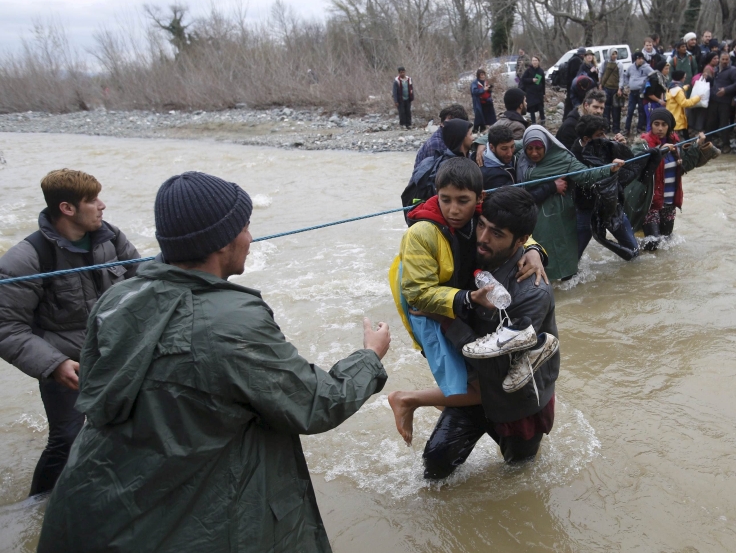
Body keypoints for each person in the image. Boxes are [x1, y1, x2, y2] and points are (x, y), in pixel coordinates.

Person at [36, 171, 391, 552]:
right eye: (246, 227)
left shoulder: (117, 299)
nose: (250, 238)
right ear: (222, 242)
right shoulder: (233, 321)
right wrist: (369, 356)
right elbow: (315, 403)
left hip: (88, 512)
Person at [0, 169, 140, 497]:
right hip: (66, 367)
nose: (102, 205)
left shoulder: (111, 237)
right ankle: (37, 508)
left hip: (117, 356)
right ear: (67, 208)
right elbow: (7, 328)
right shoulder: (25, 258)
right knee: (66, 440)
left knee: (127, 431)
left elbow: (147, 279)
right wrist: (54, 364)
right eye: (92, 200)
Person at [388, 159, 549, 445]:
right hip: (430, 310)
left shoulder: (479, 215)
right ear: (436, 194)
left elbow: (513, 226)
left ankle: (430, 403)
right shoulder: (421, 233)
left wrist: (534, 249)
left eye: (462, 201)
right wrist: (467, 298)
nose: (453, 210)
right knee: (473, 387)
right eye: (445, 199)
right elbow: (417, 293)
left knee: (469, 382)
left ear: (479, 198)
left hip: (459, 305)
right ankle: (407, 399)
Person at [422, 186, 560, 479]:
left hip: (517, 401)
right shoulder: (474, 250)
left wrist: (444, 318)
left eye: (496, 234)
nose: (482, 238)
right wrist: (535, 248)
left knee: (519, 473)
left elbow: (499, 368)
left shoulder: (532, 292)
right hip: (475, 387)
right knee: (435, 464)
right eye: (481, 225)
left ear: (521, 239)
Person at [517, 125, 623, 280]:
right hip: (530, 214)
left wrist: (609, 169)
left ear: (546, 145)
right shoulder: (520, 156)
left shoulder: (562, 158)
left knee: (559, 253)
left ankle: (561, 286)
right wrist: (481, 144)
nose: (534, 153)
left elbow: (586, 176)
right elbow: (506, 141)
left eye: (538, 148)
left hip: (557, 216)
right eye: (530, 148)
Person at [631, 108, 709, 247]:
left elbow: (685, 166)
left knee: (666, 243)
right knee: (653, 244)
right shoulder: (642, 144)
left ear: (669, 126)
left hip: (669, 202)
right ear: (651, 125)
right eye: (656, 124)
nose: (660, 128)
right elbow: (637, 165)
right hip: (649, 203)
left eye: (664, 124)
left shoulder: (675, 145)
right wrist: (659, 151)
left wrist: (697, 145)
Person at [569, 115, 640, 260]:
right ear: (586, 139)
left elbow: (626, 170)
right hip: (585, 209)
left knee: (633, 252)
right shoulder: (573, 156)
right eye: (599, 135)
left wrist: (621, 147)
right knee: (574, 257)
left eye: (604, 133)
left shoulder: (605, 146)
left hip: (611, 205)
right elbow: (586, 178)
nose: (605, 137)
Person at [402, 119, 475, 207]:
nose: (473, 138)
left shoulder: (434, 160)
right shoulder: (455, 169)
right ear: (462, 138)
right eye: (471, 134)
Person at [705, 52, 736, 152]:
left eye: (726, 59)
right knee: (710, 122)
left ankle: (726, 145)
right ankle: (707, 144)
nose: (725, 61)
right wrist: (708, 78)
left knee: (724, 123)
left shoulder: (733, 70)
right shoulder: (716, 69)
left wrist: (726, 90)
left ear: (729, 60)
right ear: (719, 60)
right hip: (714, 99)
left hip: (725, 101)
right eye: (723, 59)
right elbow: (714, 82)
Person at [622, 52, 653, 135]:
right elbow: (625, 75)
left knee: (641, 110)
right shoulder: (631, 67)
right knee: (630, 110)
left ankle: (640, 127)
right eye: (639, 59)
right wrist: (628, 84)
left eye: (642, 58)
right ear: (635, 59)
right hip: (632, 92)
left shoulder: (646, 67)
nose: (641, 60)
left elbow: (653, 75)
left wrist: (647, 85)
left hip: (641, 92)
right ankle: (627, 129)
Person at [665, 69, 701, 139]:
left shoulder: (671, 86)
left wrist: (685, 87)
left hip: (672, 113)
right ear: (680, 78)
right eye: (684, 77)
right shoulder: (678, 90)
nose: (685, 79)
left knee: (683, 133)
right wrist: (697, 98)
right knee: (676, 137)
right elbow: (684, 103)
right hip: (677, 117)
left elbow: (678, 92)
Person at [480, 125, 518, 189]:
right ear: (492, 147)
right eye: (504, 149)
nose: (510, 153)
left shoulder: (509, 158)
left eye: (512, 147)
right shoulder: (493, 177)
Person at [600, 49, 623, 133]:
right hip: (606, 88)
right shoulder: (605, 63)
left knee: (616, 109)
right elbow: (601, 73)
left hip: (615, 89)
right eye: (613, 54)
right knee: (606, 109)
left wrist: (620, 88)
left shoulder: (619, 64)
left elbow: (621, 77)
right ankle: (606, 127)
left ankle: (616, 128)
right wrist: (600, 84)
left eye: (615, 54)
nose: (614, 56)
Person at [643, 60, 669, 132]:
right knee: (651, 121)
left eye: (668, 69)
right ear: (661, 69)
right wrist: (660, 101)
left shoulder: (662, 78)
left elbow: (662, 90)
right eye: (666, 69)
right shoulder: (654, 78)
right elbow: (649, 94)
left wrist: (662, 101)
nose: (668, 71)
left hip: (658, 102)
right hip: (650, 103)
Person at [521, 56, 547, 125]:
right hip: (531, 92)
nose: (534, 62)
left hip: (539, 92)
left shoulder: (541, 71)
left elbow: (543, 82)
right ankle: (533, 123)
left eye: (535, 60)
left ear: (538, 62)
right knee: (532, 108)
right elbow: (523, 79)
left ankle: (543, 121)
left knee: (541, 107)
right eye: (533, 60)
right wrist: (531, 80)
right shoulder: (528, 70)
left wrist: (544, 93)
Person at [562, 48, 586, 117]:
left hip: (570, 83)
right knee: (570, 101)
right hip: (572, 84)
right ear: (582, 54)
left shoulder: (573, 58)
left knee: (569, 101)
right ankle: (568, 116)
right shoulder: (576, 60)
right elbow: (573, 72)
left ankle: (567, 116)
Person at [471, 69, 496, 134]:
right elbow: (474, 92)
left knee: (489, 117)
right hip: (479, 103)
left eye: (483, 74)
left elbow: (488, 91)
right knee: (479, 116)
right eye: (481, 75)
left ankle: (487, 129)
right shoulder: (475, 83)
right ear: (478, 75)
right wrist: (483, 89)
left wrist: (489, 88)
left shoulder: (485, 82)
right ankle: (475, 130)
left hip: (487, 102)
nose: (483, 76)